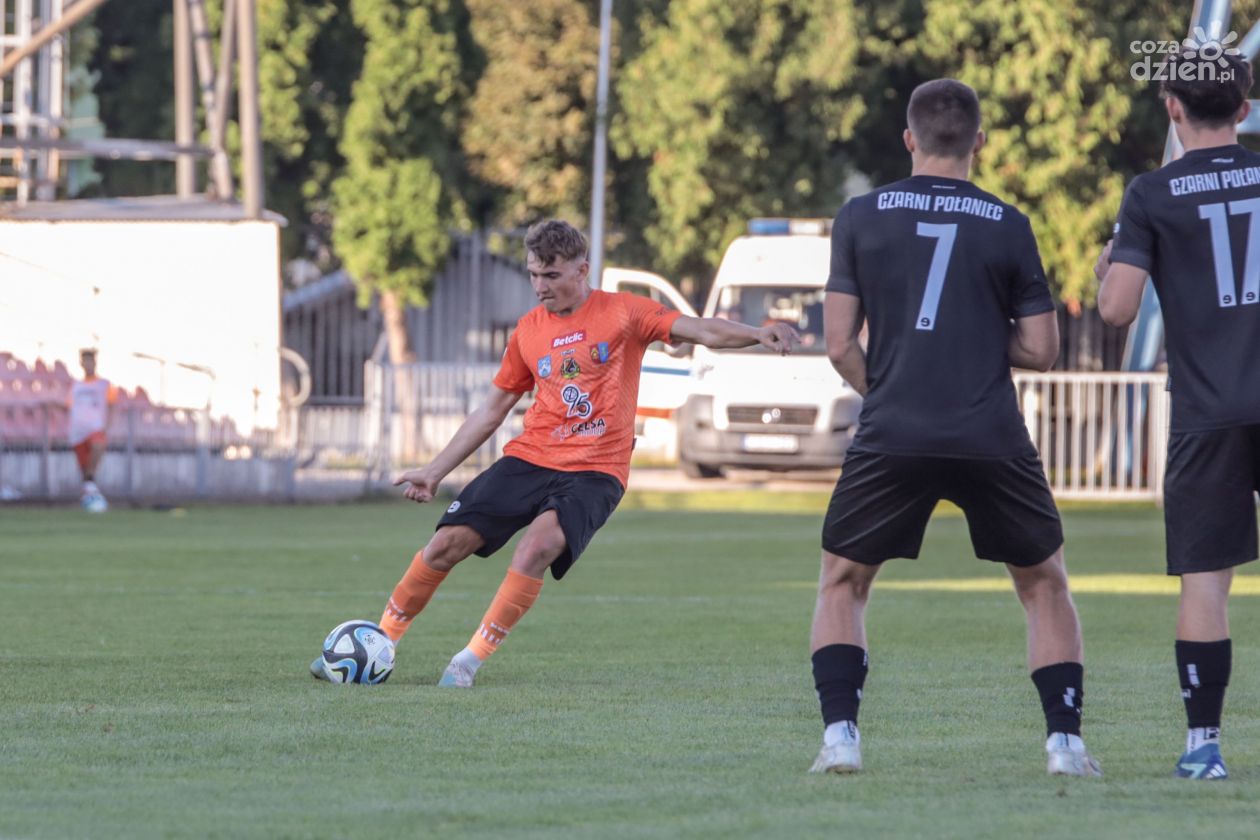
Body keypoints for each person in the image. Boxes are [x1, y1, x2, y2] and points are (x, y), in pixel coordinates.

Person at [313, 220, 798, 687]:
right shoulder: (528, 331)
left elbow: (700, 329)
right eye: (533, 274)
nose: (539, 286)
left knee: (537, 547)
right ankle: (380, 643)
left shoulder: (624, 312)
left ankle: (467, 662)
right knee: (444, 544)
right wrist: (434, 471)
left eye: (550, 275)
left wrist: (756, 334)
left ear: (581, 270)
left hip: (596, 471)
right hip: (530, 458)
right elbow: (492, 410)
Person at [808, 79, 1101, 777]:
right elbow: (1042, 349)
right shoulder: (1009, 223)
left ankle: (841, 739)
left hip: (893, 428)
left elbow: (840, 344)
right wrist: (973, 340)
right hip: (988, 431)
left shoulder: (859, 216)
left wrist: (894, 386)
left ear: (909, 138)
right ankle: (1064, 746)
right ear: (980, 142)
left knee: (843, 581)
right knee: (1044, 584)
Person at [1095, 48, 1257, 781]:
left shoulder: (1151, 194)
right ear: (1244, 109)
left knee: (1205, 580)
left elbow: (1116, 310)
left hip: (1207, 411)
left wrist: (1110, 267)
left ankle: (1203, 747)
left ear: (1171, 108)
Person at [67, 348, 117, 513]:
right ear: (81, 363)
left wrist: (107, 426)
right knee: (84, 469)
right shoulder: (76, 386)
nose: (88, 364)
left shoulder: (104, 385)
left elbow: (112, 405)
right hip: (77, 431)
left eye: (91, 361)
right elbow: (69, 406)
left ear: (95, 362)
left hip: (95, 427)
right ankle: (89, 498)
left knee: (97, 447)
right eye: (85, 361)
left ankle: (90, 488)